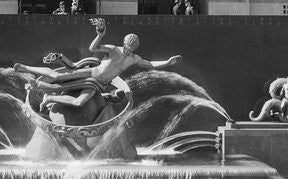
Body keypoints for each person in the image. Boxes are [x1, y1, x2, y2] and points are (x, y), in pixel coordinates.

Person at [14, 18, 183, 111]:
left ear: (134, 49)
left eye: (131, 49)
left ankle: (49, 98)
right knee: (57, 76)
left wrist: (168, 62)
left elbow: (151, 64)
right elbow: (93, 48)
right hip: (91, 73)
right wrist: (100, 35)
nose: (127, 51)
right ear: (124, 44)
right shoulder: (113, 49)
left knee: (79, 102)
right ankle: (25, 67)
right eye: (126, 47)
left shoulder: (134, 58)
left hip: (99, 84)